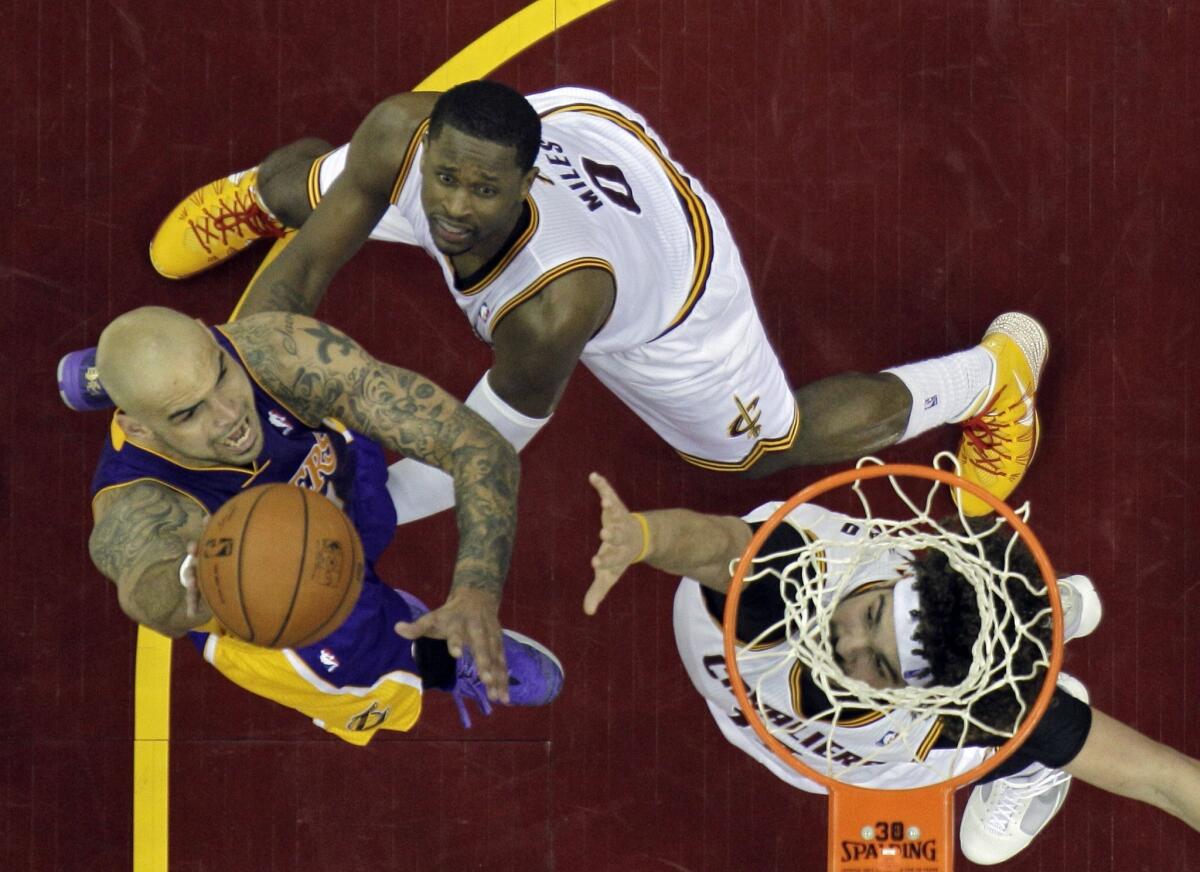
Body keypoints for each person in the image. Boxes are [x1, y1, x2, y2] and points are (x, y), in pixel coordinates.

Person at [62, 81, 1043, 518]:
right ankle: (247, 192)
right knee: (321, 188)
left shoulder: (555, 309)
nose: (451, 209)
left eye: (482, 191)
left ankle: (988, 379)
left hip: (670, 279)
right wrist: (238, 358)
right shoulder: (411, 137)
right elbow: (313, 265)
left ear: (522, 187)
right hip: (577, 124)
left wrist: (361, 510)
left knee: (759, 446)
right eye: (443, 177)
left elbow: (484, 441)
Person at [582, 471, 1200, 865]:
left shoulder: (974, 709)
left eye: (880, 664)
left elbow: (1164, 778)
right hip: (754, 678)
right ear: (903, 574)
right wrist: (644, 539)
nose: (845, 647)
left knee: (1004, 771)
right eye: (872, 615)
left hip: (909, 732)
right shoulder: (790, 585)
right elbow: (717, 545)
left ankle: (1031, 643)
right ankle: (1035, 610)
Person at [87, 305, 563, 744]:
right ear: (139, 429)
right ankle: (435, 662)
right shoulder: (139, 502)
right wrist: (200, 575)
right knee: (329, 651)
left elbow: (480, 449)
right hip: (271, 594)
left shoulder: (274, 351)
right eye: (189, 413)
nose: (230, 415)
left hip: (344, 496)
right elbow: (146, 593)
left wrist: (476, 593)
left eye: (220, 377)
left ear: (212, 339)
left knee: (365, 478)